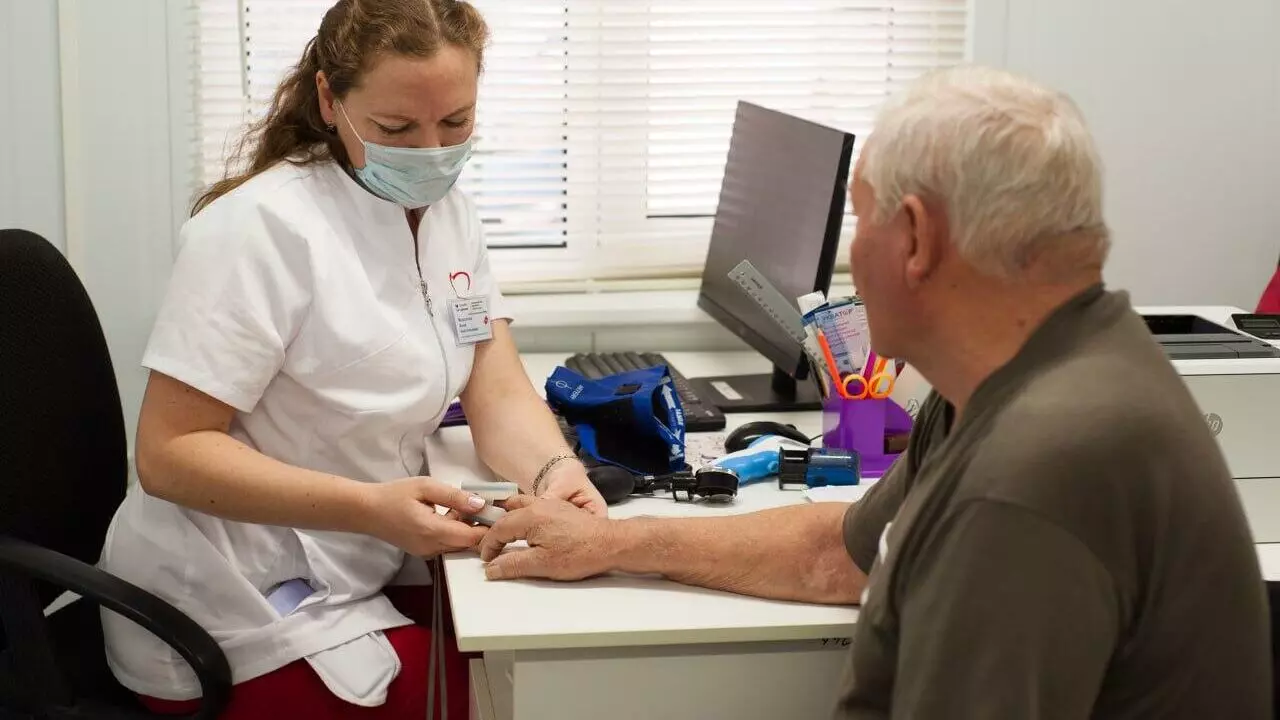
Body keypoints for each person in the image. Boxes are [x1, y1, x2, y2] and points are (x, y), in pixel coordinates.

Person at [479, 66, 1273, 719]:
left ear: (916, 239)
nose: (850, 262)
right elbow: (840, 555)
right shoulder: (1015, 380)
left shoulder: (1033, 475)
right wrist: (615, 544)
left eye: (861, 222)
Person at [97, 1, 605, 717]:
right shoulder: (257, 230)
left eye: (455, 121)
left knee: (557, 648)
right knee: (530, 699)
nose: (431, 151)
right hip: (230, 605)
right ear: (329, 100)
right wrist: (370, 508)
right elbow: (169, 454)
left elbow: (493, 384)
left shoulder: (448, 212)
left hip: (353, 561)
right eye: (396, 129)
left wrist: (556, 474)